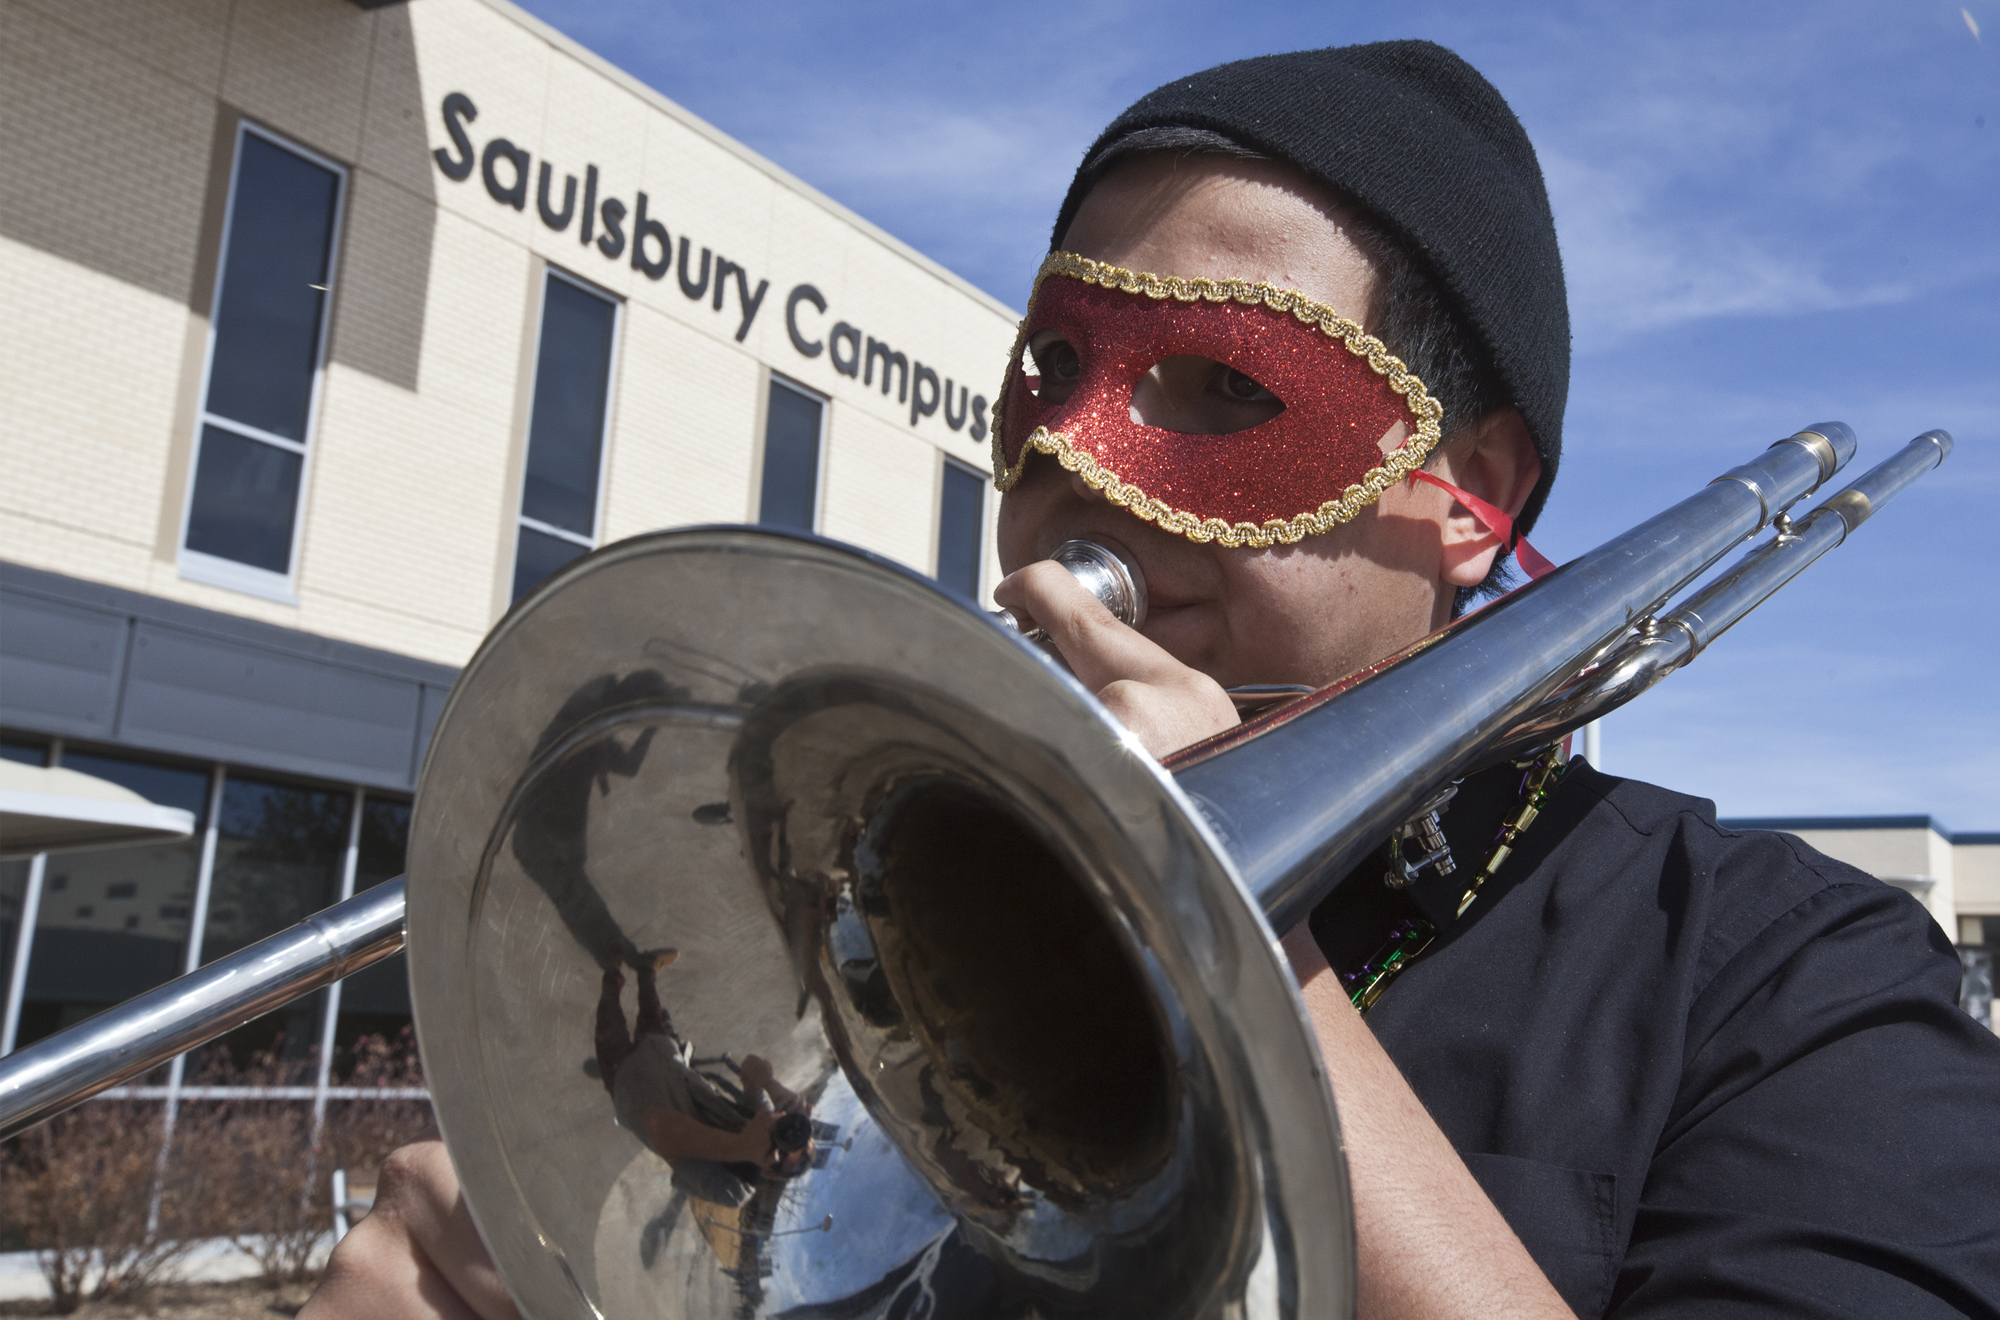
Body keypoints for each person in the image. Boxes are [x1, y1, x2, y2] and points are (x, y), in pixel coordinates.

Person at [301, 42, 2000, 1320]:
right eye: (1048, 379)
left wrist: (1213, 933)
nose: (1084, 469)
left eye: (1219, 385)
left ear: (1470, 493)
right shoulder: (849, 915)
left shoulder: (1796, 982)